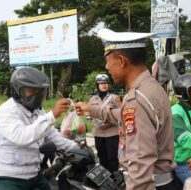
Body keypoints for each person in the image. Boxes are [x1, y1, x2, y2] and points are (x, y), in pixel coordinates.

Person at [75, 28, 176, 190]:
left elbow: (140, 164)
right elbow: (122, 116)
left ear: (121, 60)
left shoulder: (136, 99)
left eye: (108, 61)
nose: (107, 67)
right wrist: (91, 109)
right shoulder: (152, 88)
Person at [0, 67, 78, 190]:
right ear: (18, 90)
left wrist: (77, 148)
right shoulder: (7, 110)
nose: (37, 95)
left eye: (40, 91)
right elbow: (21, 137)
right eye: (31, 90)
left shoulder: (38, 112)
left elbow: (53, 136)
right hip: (5, 178)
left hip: (33, 175)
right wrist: (52, 115)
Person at [87, 73, 121, 173]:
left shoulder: (115, 98)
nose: (104, 85)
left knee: (112, 158)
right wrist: (97, 124)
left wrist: (109, 124)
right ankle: (104, 181)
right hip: (98, 133)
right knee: (102, 157)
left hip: (112, 133)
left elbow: (121, 115)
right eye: (101, 83)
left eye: (105, 83)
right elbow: (88, 116)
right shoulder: (92, 99)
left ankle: (114, 180)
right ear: (97, 85)